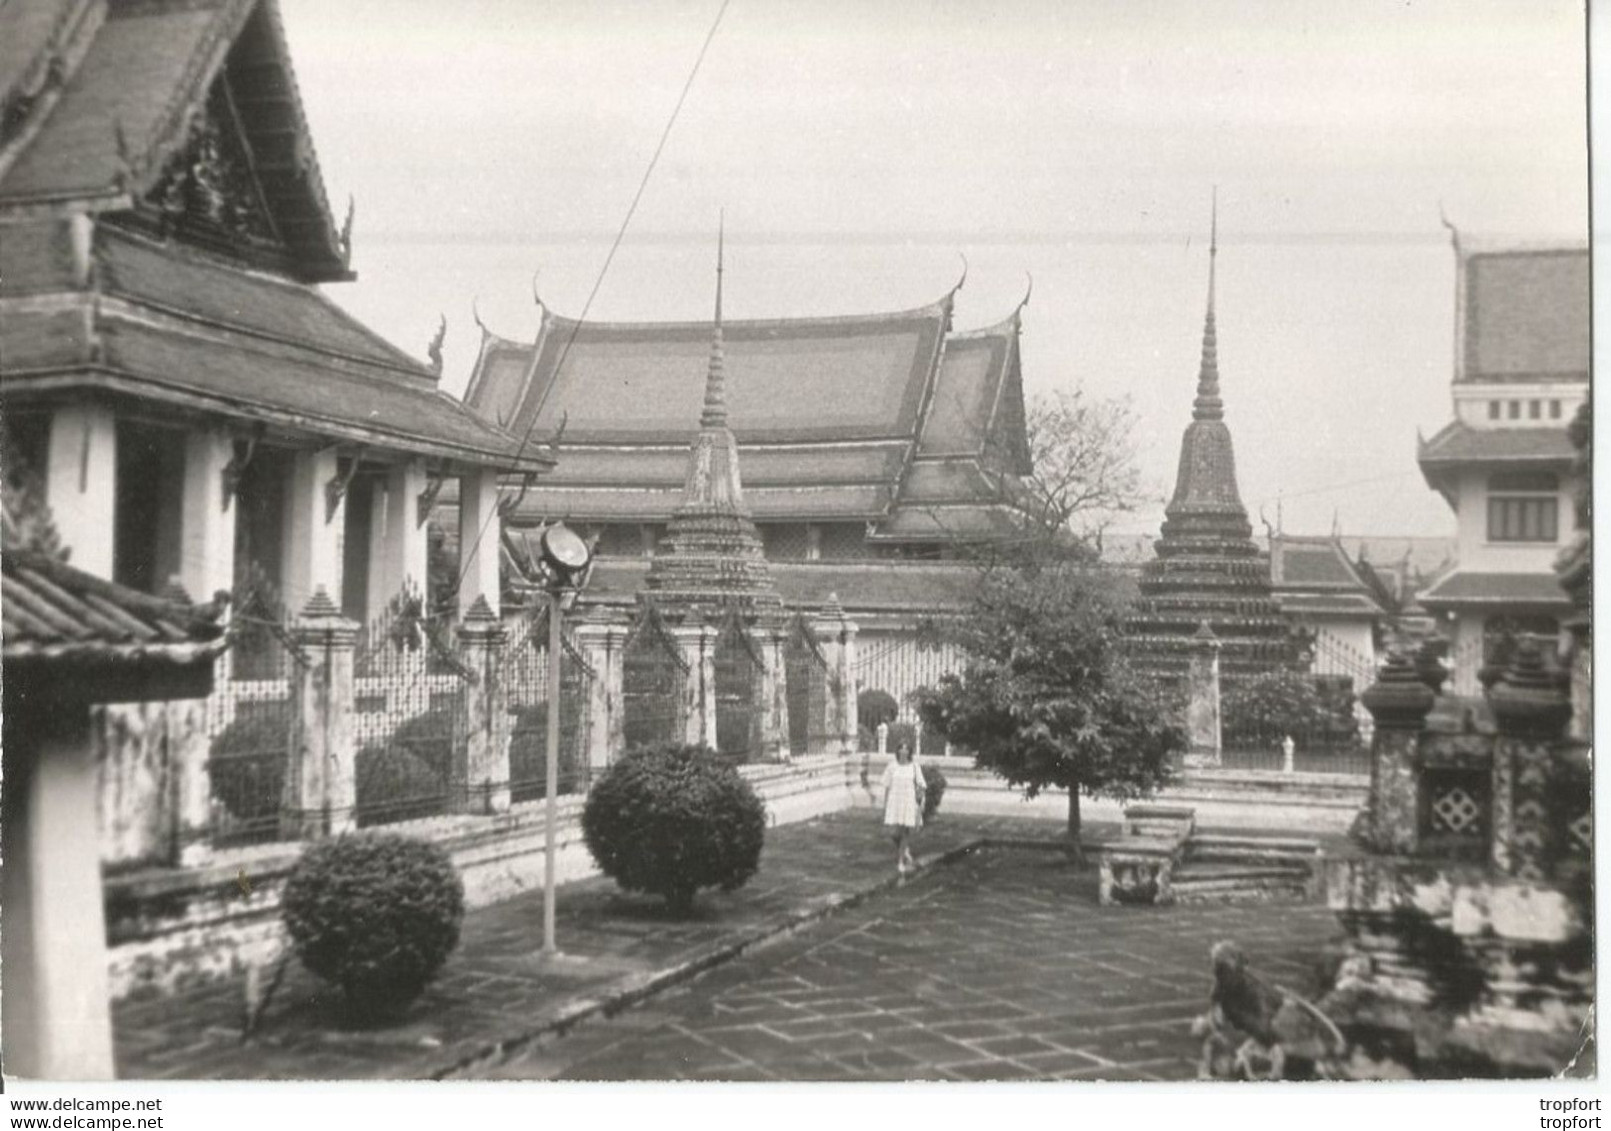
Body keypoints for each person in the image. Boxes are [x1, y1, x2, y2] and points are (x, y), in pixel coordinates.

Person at [880, 739, 925, 877]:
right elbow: (887, 786)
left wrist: (920, 804)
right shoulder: (892, 766)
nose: (903, 751)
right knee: (893, 832)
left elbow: (921, 785)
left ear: (910, 752)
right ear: (898, 751)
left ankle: (900, 861)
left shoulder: (914, 767)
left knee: (905, 831)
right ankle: (904, 850)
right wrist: (885, 804)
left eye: (906, 749)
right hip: (895, 801)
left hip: (908, 801)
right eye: (901, 748)